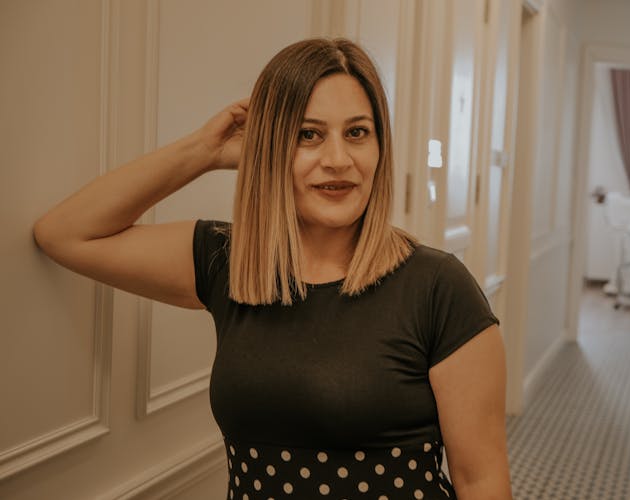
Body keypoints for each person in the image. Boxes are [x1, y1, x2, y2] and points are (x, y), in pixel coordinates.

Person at [33, 38, 512, 499]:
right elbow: (66, 233)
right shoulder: (228, 262)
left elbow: (481, 483)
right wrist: (205, 151)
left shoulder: (438, 287)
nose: (338, 160)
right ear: (270, 147)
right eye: (308, 135)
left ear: (379, 147)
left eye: (357, 132)